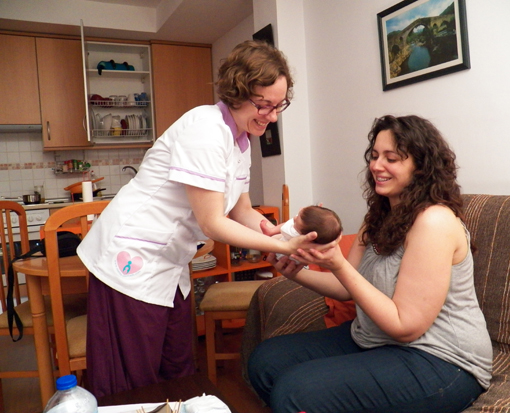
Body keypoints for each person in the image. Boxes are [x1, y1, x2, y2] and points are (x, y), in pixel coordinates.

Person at [77, 40, 333, 398]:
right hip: (131, 257)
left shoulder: (242, 140)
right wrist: (281, 246)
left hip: (169, 263)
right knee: (132, 380)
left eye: (279, 106)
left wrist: (279, 234)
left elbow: (241, 211)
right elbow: (213, 223)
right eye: (264, 105)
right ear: (237, 92)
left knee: (177, 367)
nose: (272, 116)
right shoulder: (204, 129)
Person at [248, 115, 493, 413]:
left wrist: (337, 263)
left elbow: (405, 327)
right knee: (265, 361)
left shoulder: (434, 222)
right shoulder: (378, 216)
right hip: (375, 339)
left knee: (294, 392)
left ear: (421, 166)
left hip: (442, 359)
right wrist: (296, 271)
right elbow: (344, 287)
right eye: (374, 156)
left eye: (391, 158)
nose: (377, 165)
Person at [276, 205, 342, 261]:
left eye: (296, 224)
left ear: (307, 236)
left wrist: (272, 231)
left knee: (275, 238)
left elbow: (283, 228)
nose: (294, 218)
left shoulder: (295, 236)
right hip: (301, 265)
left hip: (284, 258)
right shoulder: (318, 243)